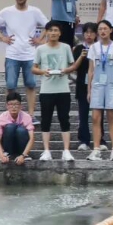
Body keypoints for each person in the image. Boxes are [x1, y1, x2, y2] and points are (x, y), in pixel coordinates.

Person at [0, 0, 48, 123]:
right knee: (10, 86)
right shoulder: (7, 11)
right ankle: (10, 115)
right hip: (12, 54)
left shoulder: (35, 11)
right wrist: (2, 37)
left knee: (31, 85)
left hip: (30, 55)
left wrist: (40, 39)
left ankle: (31, 114)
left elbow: (48, 24)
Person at [31, 21, 79, 161]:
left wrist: (66, 70)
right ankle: (46, 151)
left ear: (60, 33)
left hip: (63, 89)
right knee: (46, 120)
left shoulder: (65, 47)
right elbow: (33, 68)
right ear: (46, 32)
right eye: (50, 30)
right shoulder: (40, 49)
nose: (53, 33)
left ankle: (66, 151)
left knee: (64, 119)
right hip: (46, 90)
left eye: (56, 30)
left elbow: (73, 66)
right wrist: (42, 71)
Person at [86, 20, 113, 161]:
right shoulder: (93, 48)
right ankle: (96, 149)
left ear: (111, 30)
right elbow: (90, 71)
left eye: (105, 28)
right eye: (100, 29)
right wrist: (89, 90)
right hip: (97, 85)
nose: (102, 31)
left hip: (111, 85)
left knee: (111, 117)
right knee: (95, 117)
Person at [72, 22, 104, 151]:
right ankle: (84, 140)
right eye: (86, 32)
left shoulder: (101, 47)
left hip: (98, 84)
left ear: (96, 34)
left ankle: (101, 140)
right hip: (82, 85)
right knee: (83, 114)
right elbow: (74, 66)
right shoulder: (79, 48)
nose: (89, 35)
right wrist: (81, 56)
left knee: (99, 114)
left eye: (91, 32)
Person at [0, 92, 34, 165]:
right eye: (11, 104)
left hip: (21, 147)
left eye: (16, 104)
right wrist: (1, 155)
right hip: (8, 145)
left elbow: (31, 138)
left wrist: (23, 155)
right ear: (7, 105)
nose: (13, 107)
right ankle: (7, 153)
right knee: (10, 127)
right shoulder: (1, 117)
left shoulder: (26, 117)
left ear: (20, 106)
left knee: (21, 130)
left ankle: (23, 154)